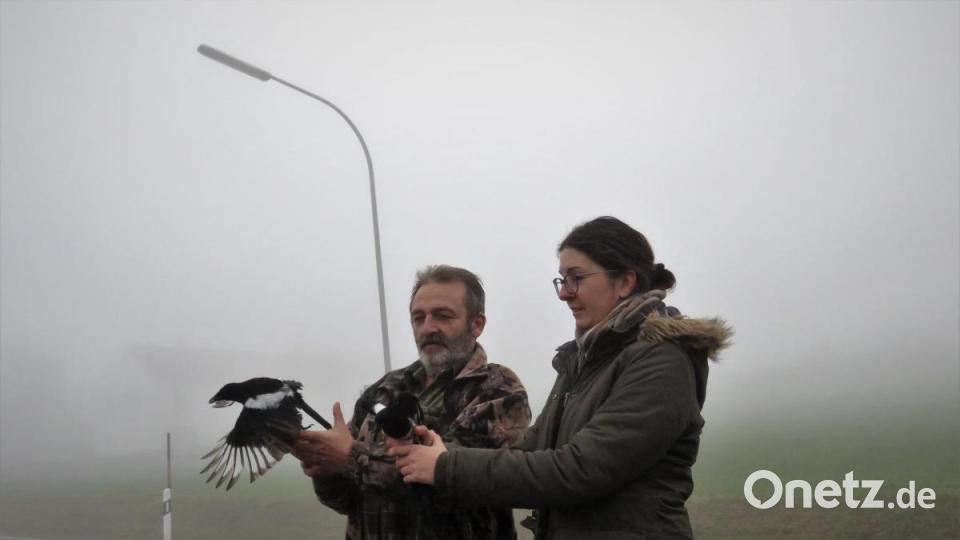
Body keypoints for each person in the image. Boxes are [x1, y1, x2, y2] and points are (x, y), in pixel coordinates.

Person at [390, 217, 732, 539]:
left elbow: (579, 471)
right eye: (561, 280)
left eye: (576, 278)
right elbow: (530, 451)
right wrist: (440, 452)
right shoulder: (583, 360)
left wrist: (445, 466)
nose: (564, 293)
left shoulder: (662, 359)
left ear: (625, 282)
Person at [292, 265, 532, 539]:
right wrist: (325, 469)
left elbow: (454, 481)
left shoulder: (498, 390)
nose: (428, 328)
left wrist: (349, 458)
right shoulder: (384, 389)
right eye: (418, 318)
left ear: (477, 324)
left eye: (443, 316)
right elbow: (347, 500)